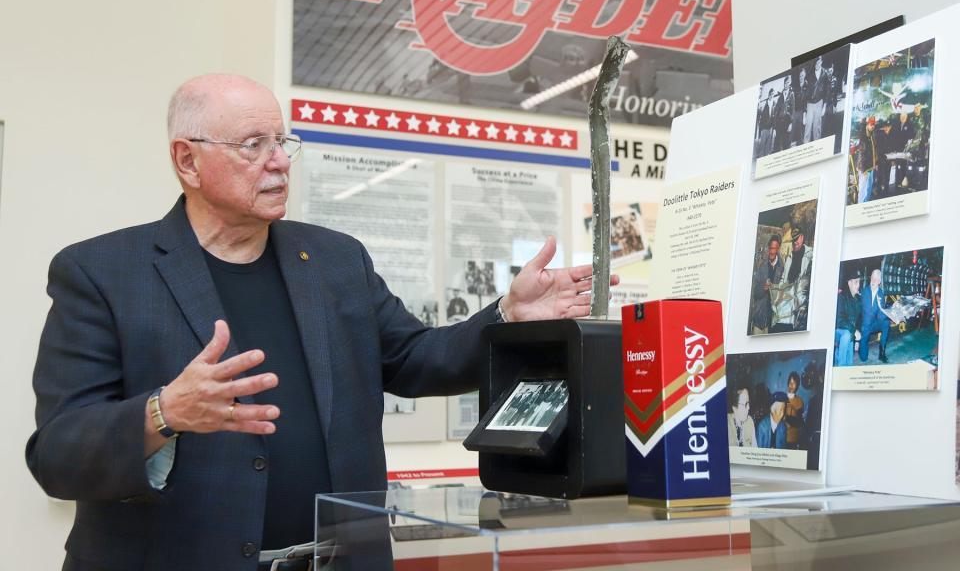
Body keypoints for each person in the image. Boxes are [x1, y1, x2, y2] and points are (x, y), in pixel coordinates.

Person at [26, 74, 617, 571]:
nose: (279, 161)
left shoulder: (335, 260)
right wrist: (164, 413)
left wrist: (510, 314)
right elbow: (56, 456)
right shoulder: (102, 273)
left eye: (282, 142)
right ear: (188, 160)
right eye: (253, 144)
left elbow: (416, 360)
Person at [751, 235, 783, 334]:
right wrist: (763, 288)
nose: (771, 251)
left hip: (774, 321)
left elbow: (784, 294)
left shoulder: (782, 269)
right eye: (770, 248)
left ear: (778, 249)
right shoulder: (762, 267)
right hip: (760, 319)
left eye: (774, 248)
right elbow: (755, 292)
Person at [860, 268, 891, 363]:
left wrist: (889, 314)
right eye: (872, 278)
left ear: (879, 282)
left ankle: (882, 353)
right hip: (866, 324)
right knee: (863, 358)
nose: (874, 281)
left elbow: (880, 315)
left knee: (886, 323)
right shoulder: (864, 291)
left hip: (875, 323)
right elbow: (866, 312)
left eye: (876, 279)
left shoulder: (881, 293)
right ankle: (862, 347)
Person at [835, 267, 862, 367]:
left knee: (850, 363)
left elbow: (859, 320)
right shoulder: (842, 297)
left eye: (859, 282)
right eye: (855, 282)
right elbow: (840, 320)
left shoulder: (858, 299)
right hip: (838, 330)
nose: (858, 285)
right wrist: (854, 331)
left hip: (850, 331)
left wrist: (857, 340)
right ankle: (840, 366)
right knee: (846, 335)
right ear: (849, 283)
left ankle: (841, 361)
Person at [856, 116, 879, 203]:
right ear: (867, 125)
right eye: (871, 124)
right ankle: (860, 207)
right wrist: (863, 170)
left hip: (871, 167)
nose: (873, 126)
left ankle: (865, 206)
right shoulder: (863, 137)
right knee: (862, 190)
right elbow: (861, 155)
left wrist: (875, 163)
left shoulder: (871, 135)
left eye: (874, 124)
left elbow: (874, 150)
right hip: (864, 169)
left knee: (868, 189)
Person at [783, 371, 805, 449]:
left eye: (794, 383)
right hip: (782, 437)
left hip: (793, 439)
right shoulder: (782, 398)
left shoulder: (799, 401)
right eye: (790, 382)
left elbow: (799, 422)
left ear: (797, 385)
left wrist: (786, 419)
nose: (791, 385)